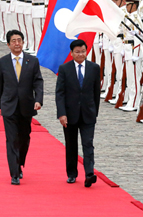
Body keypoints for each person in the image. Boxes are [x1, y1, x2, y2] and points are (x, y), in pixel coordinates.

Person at [0, 29, 44, 185]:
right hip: (8, 106)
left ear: (23, 42)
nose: (17, 43)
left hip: (26, 105)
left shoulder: (32, 61)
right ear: (8, 44)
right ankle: (14, 173)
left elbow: (38, 82)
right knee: (11, 139)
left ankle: (20, 162)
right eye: (14, 41)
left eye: (19, 40)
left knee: (24, 138)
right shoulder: (2, 62)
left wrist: (38, 100)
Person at [56, 39, 101, 187]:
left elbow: (96, 92)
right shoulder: (64, 69)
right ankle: (72, 174)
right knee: (71, 145)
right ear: (72, 53)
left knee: (88, 143)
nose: (80, 54)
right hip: (70, 114)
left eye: (83, 51)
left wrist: (95, 112)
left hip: (88, 113)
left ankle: (89, 174)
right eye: (77, 52)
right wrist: (62, 113)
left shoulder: (94, 68)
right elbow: (60, 93)